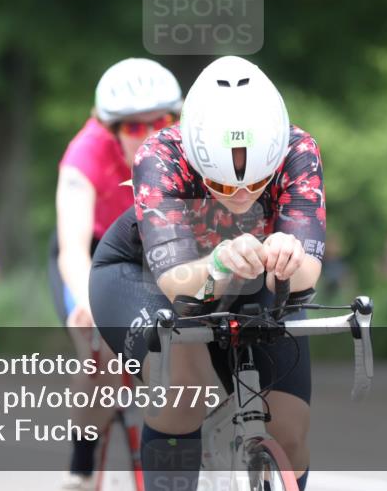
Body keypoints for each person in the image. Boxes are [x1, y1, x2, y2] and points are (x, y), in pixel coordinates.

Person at [90, 56, 326, 491]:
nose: (239, 195)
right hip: (143, 274)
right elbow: (177, 283)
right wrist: (218, 261)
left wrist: (288, 254)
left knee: (290, 430)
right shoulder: (160, 155)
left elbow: (306, 274)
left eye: (256, 184)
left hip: (250, 277)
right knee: (187, 394)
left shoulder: (298, 151)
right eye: (220, 185)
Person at [49, 57, 183, 490]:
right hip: (95, 254)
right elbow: (71, 249)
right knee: (101, 356)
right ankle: (83, 455)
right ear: (110, 130)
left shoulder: (188, 147)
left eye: (159, 122)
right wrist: (88, 302)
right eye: (132, 127)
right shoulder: (84, 153)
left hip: (159, 248)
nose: (147, 136)